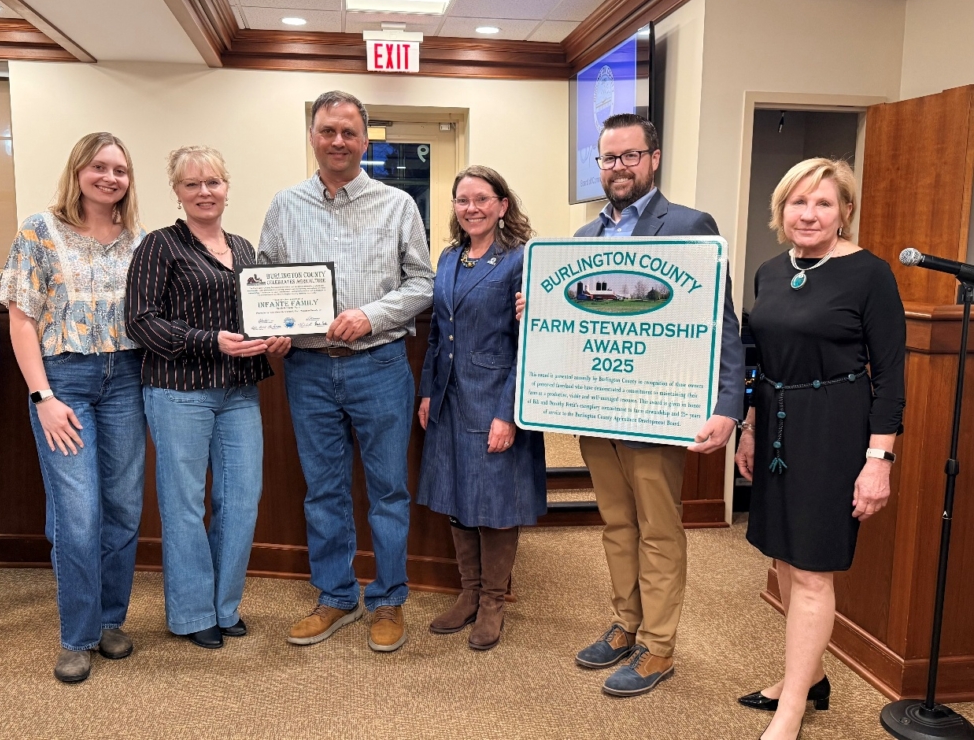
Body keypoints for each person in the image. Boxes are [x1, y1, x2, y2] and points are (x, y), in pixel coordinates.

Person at [519, 113, 745, 696]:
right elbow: (574, 323)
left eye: (629, 156)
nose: (618, 168)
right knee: (617, 524)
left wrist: (729, 405)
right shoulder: (582, 239)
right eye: (608, 158)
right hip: (598, 408)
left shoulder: (690, 225)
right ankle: (627, 624)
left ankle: (659, 647)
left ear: (654, 158)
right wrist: (538, 310)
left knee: (658, 528)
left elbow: (721, 325)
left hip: (656, 408)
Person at [258, 90, 434, 653]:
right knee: (324, 490)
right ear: (313, 136)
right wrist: (274, 328)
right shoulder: (284, 205)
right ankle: (335, 596)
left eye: (349, 132)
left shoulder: (397, 205)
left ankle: (388, 599)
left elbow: (423, 283)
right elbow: (265, 280)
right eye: (328, 131)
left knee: (388, 490)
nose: (338, 141)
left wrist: (370, 315)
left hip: (379, 365)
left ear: (364, 139)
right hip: (308, 370)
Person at [735, 159, 905, 740]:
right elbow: (760, 361)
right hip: (777, 424)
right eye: (798, 202)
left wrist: (878, 462)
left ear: (845, 212)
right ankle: (809, 678)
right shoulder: (769, 272)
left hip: (835, 427)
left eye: (824, 203)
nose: (809, 214)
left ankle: (792, 710)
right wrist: (750, 428)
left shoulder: (869, 274)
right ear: (781, 210)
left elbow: (890, 378)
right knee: (784, 558)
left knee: (811, 570)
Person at [126, 146, 290, 649]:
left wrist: (277, 336)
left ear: (226, 188)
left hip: (238, 391)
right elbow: (140, 321)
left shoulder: (243, 248)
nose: (204, 192)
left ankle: (224, 606)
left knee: (241, 499)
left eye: (212, 182)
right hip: (179, 392)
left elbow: (259, 315)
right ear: (177, 192)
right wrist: (208, 340)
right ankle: (192, 612)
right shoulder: (159, 245)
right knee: (184, 505)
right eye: (192, 184)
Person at [0, 132, 146, 684]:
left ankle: (110, 620)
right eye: (99, 167)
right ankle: (77, 636)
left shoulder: (138, 239)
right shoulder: (40, 230)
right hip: (64, 381)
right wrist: (43, 398)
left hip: (127, 378)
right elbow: (21, 321)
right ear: (78, 171)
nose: (110, 178)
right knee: (78, 512)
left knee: (123, 508)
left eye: (120, 170)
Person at [416, 165, 547, 651]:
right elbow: (437, 334)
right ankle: (468, 593)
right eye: (462, 200)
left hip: (494, 398)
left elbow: (529, 342)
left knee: (495, 503)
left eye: (481, 199)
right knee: (457, 495)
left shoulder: (521, 259)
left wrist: (508, 412)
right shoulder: (450, 258)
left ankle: (493, 600)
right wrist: (428, 392)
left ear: (502, 205)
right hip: (450, 399)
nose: (471, 208)